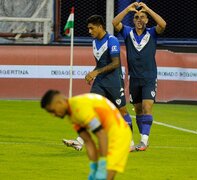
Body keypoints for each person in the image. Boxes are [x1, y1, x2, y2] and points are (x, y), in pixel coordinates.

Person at [63, 15, 135, 151]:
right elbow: (100, 63)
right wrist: (92, 73)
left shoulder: (112, 40)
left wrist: (96, 72)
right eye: (88, 28)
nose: (89, 31)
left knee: (122, 111)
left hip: (114, 82)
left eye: (92, 28)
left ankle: (130, 143)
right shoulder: (94, 42)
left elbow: (115, 63)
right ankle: (79, 141)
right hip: (101, 82)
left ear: (100, 27)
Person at [41, 90, 132, 180]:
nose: (53, 115)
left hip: (119, 134)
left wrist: (102, 165)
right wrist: (94, 167)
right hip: (108, 135)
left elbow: (101, 134)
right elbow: (88, 142)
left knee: (105, 176)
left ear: (59, 102)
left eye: (52, 111)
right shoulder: (72, 115)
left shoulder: (79, 107)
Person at [112, 2, 166, 151]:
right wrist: (127, 10)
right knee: (138, 110)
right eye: (136, 17)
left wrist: (148, 8)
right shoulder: (128, 32)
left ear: (147, 20)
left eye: (142, 17)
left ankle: (143, 140)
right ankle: (143, 140)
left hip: (149, 77)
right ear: (133, 20)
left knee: (147, 107)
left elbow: (163, 24)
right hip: (134, 78)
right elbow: (115, 22)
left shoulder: (152, 33)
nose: (139, 19)